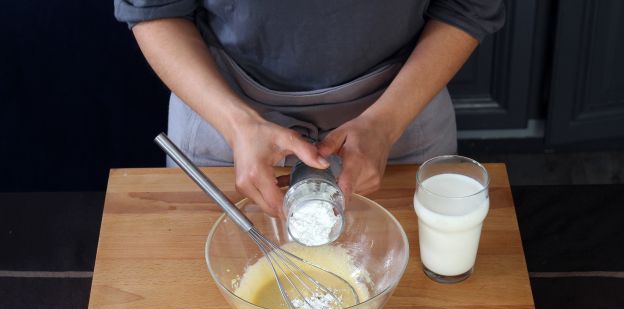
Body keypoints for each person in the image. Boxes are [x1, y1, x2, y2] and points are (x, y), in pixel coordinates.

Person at [114, 1, 504, 217]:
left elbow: (467, 5)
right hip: (224, 119)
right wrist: (238, 126)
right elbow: (157, 10)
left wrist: (385, 123)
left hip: (402, 110)